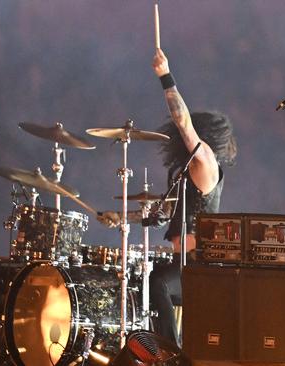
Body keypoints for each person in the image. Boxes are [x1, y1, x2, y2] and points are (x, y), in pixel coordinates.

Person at [98, 47, 236, 347]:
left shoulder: (206, 162)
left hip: (198, 264)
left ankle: (169, 352)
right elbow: (164, 212)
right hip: (182, 261)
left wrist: (165, 77)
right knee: (143, 283)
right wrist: (123, 218)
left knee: (156, 282)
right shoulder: (190, 171)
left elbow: (184, 123)